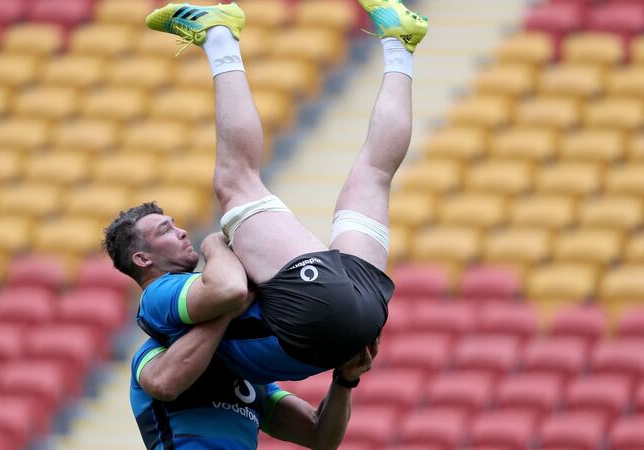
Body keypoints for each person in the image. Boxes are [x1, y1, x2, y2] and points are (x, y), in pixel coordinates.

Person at [103, 0, 427, 383]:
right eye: (165, 231)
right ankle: (218, 34)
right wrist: (215, 244)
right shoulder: (158, 296)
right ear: (142, 259)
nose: (182, 231)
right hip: (314, 314)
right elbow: (229, 289)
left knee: (374, 173)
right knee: (235, 183)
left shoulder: (201, 341)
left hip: (357, 319)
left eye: (173, 224)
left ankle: (399, 44)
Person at [130, 302, 378, 449]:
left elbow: (320, 436)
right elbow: (163, 383)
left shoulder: (252, 376)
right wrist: (226, 313)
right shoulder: (157, 352)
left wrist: (345, 380)